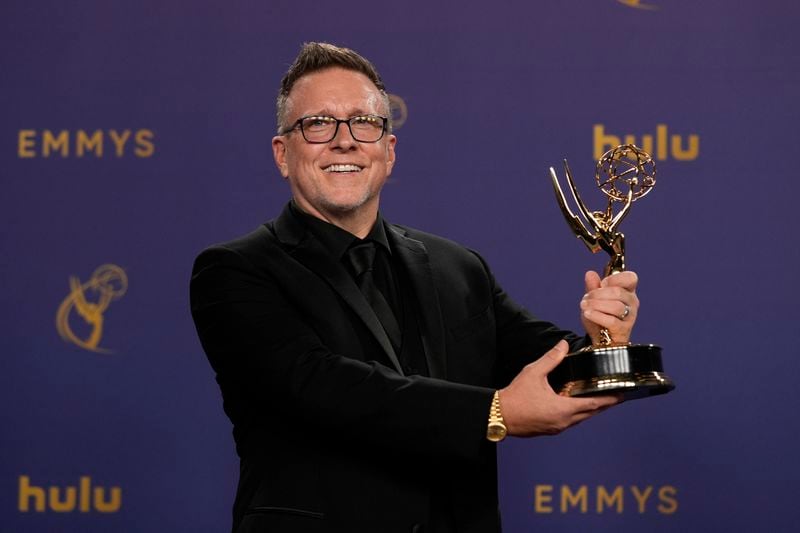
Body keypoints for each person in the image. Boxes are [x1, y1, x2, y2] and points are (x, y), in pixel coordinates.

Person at [190, 42, 638, 533]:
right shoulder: (234, 271)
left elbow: (545, 366)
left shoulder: (458, 266)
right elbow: (326, 389)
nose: (344, 141)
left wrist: (603, 344)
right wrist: (495, 410)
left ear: (389, 151)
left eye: (364, 122)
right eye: (318, 124)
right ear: (282, 153)